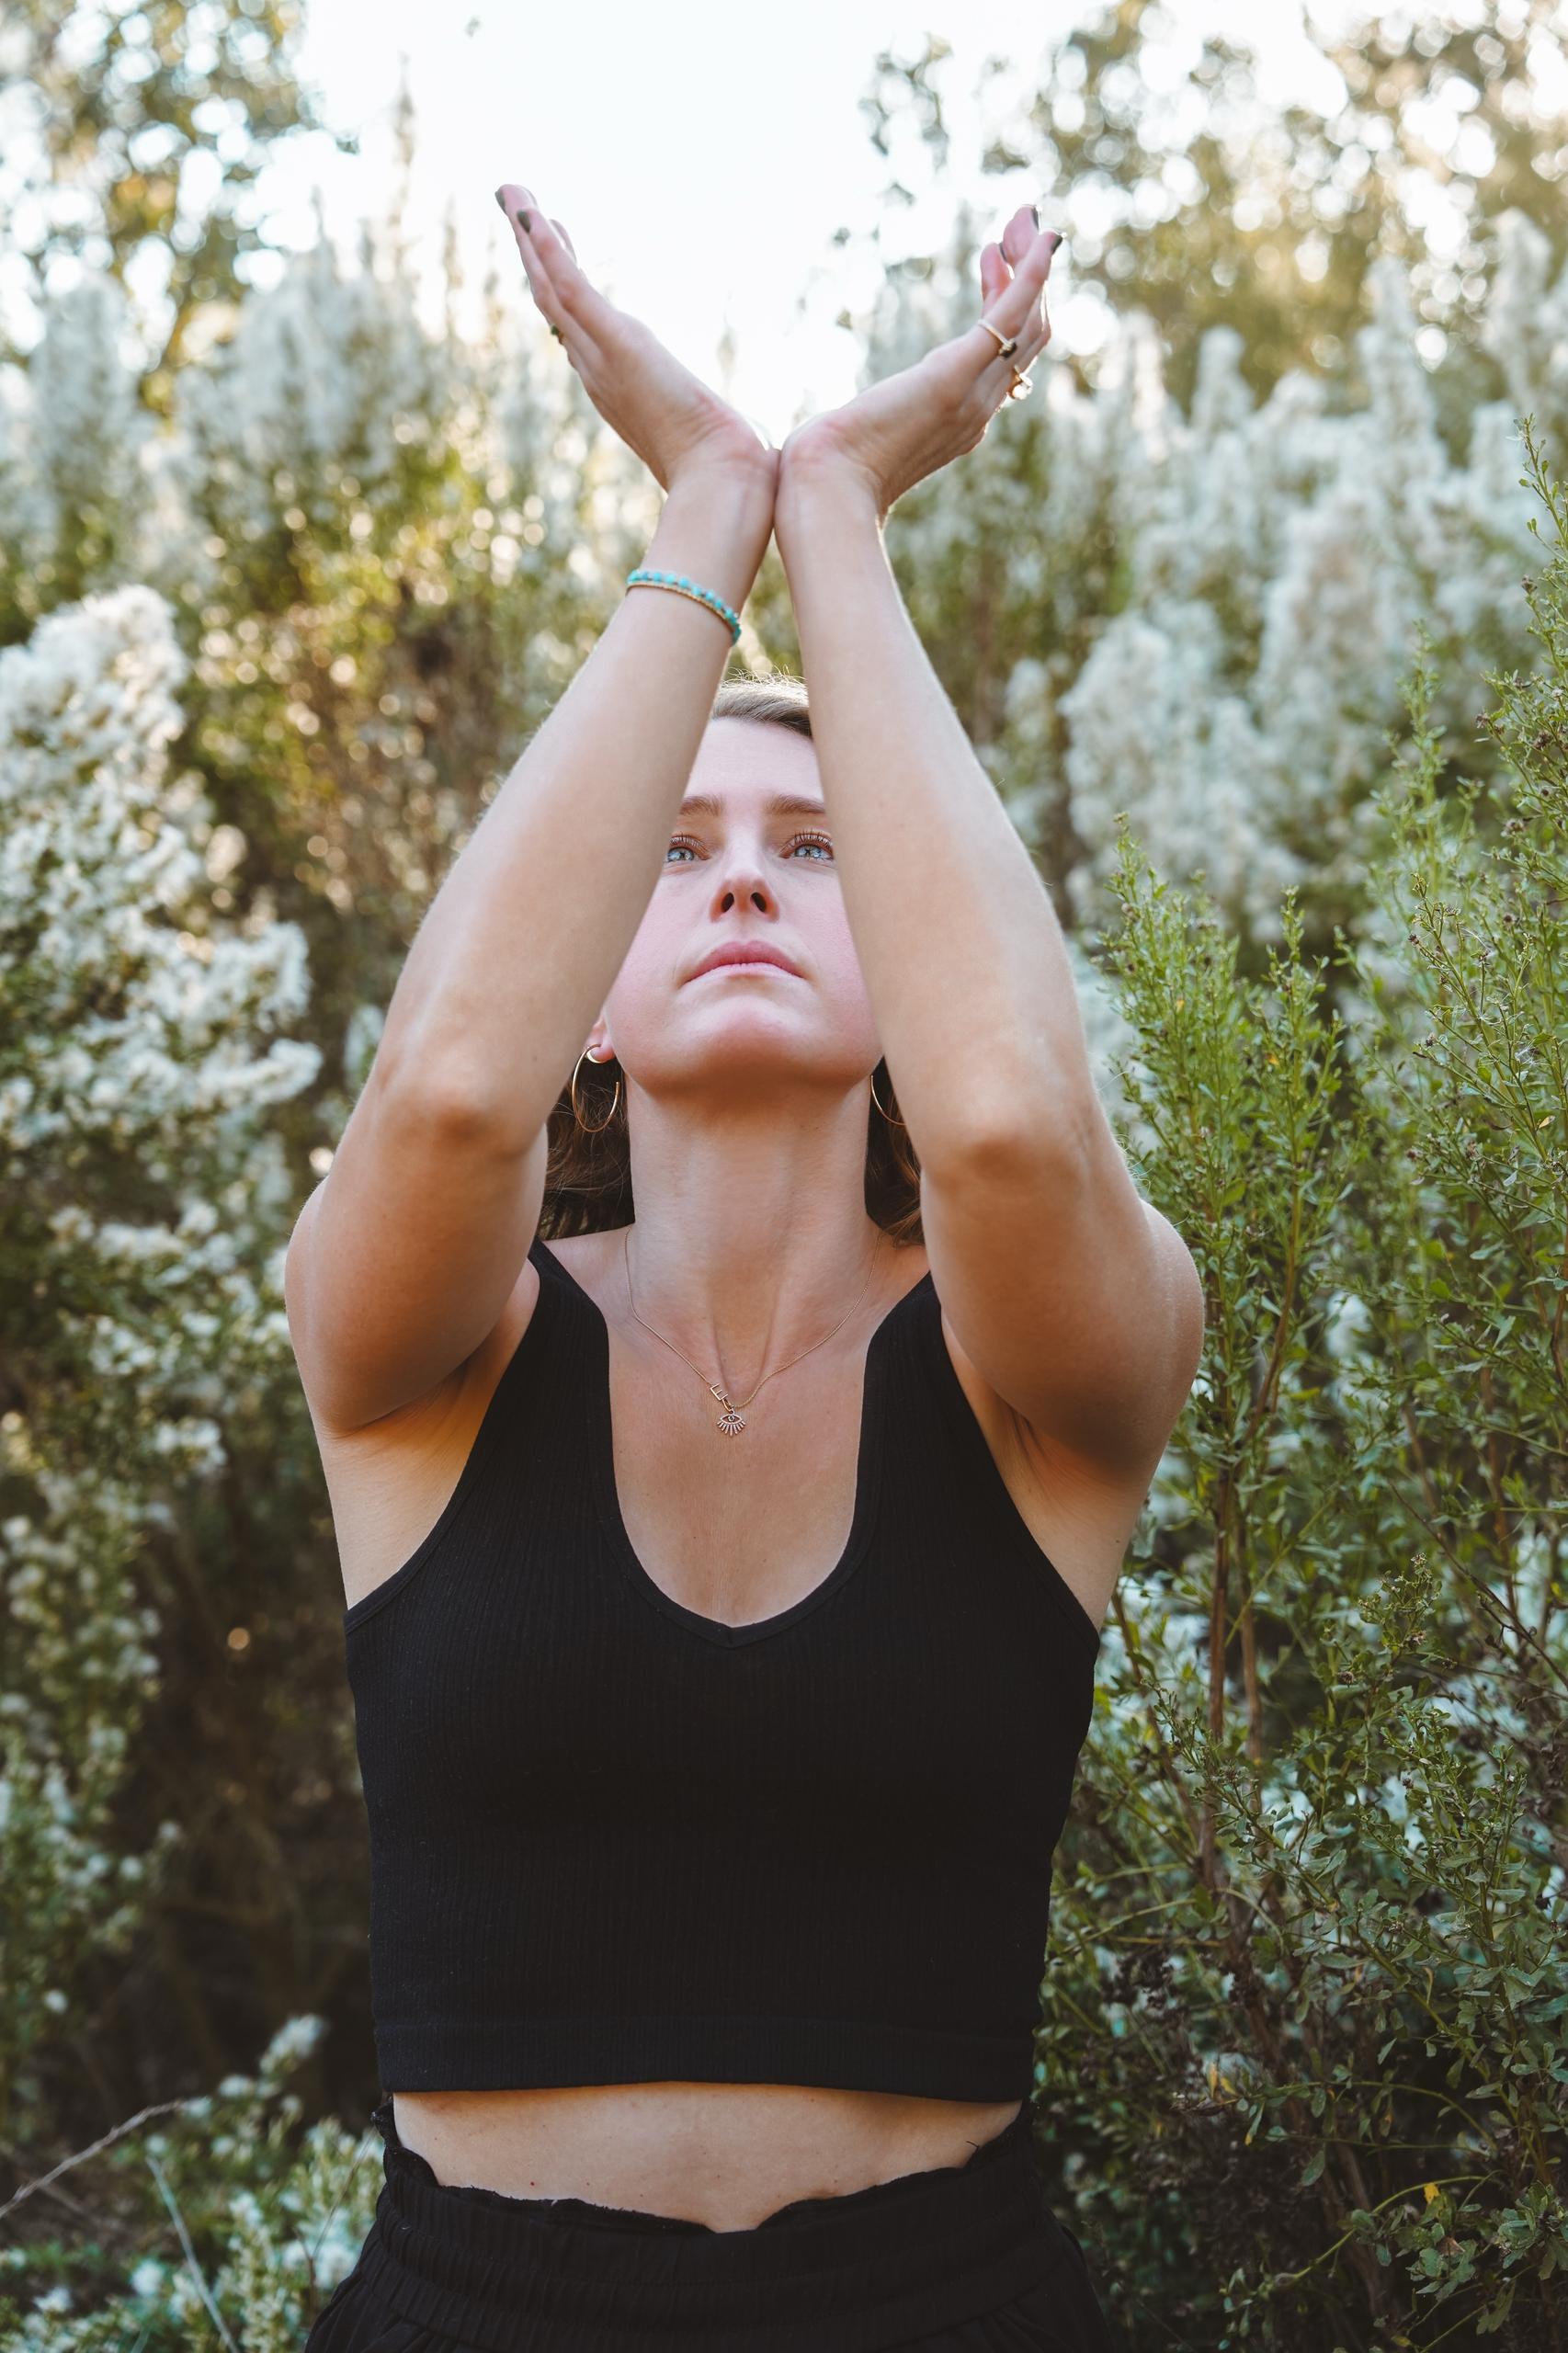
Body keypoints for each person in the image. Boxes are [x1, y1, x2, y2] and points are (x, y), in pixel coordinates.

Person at [289, 179, 1202, 2353]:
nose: (743, 882)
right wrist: (711, 515)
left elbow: (995, 1118)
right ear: (585, 979)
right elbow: (438, 1098)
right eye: (676, 846)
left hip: (949, 2304)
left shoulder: (1049, 1373)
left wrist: (848, 526)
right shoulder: (422, 1363)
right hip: (470, 2307)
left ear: (908, 943)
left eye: (813, 847)